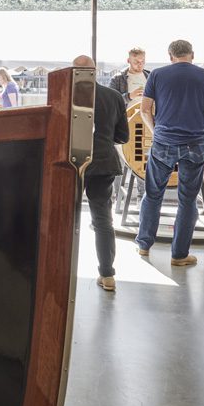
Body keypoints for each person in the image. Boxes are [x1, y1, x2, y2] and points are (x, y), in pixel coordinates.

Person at [136, 40, 204, 266]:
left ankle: (144, 245)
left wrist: (156, 132)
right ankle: (179, 255)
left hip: (163, 142)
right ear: (192, 55)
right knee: (187, 199)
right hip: (195, 143)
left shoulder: (157, 75)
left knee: (153, 194)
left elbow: (144, 110)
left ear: (170, 56)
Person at [73, 55, 130, 291]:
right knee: (103, 220)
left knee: (64, 219)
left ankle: (61, 271)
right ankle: (107, 275)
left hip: (70, 164)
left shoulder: (65, 96)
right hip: (103, 162)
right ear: (95, 71)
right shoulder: (113, 96)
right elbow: (123, 136)